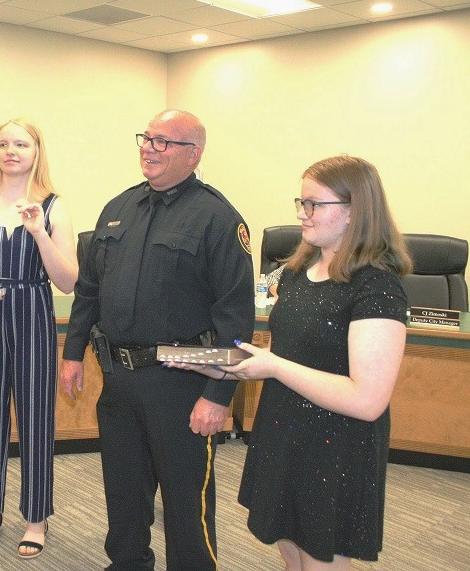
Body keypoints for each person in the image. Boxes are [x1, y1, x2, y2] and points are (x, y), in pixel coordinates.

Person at [171, 155, 411, 570]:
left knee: (320, 560)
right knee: (290, 555)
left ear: (355, 211)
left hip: (335, 446)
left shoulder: (377, 287)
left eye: (314, 204)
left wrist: (273, 367)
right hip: (284, 431)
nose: (302, 214)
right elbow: (290, 356)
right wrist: (220, 365)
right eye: (300, 202)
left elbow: (368, 399)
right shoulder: (300, 271)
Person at [60, 109, 255, 571]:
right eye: (146, 138)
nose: (149, 147)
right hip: (119, 378)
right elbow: (89, 290)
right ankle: (127, 563)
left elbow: (234, 316)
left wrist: (218, 395)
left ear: (194, 154)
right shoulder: (117, 208)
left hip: (182, 380)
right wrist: (71, 355)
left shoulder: (217, 217)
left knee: (186, 497)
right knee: (123, 488)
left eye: (163, 141)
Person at [0, 117, 77, 559]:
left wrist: (39, 231)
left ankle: (36, 517)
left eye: (21, 143)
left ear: (36, 150)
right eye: (3, 142)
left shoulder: (53, 205)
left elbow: (68, 280)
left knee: (35, 418)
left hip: (32, 311)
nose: (11, 151)